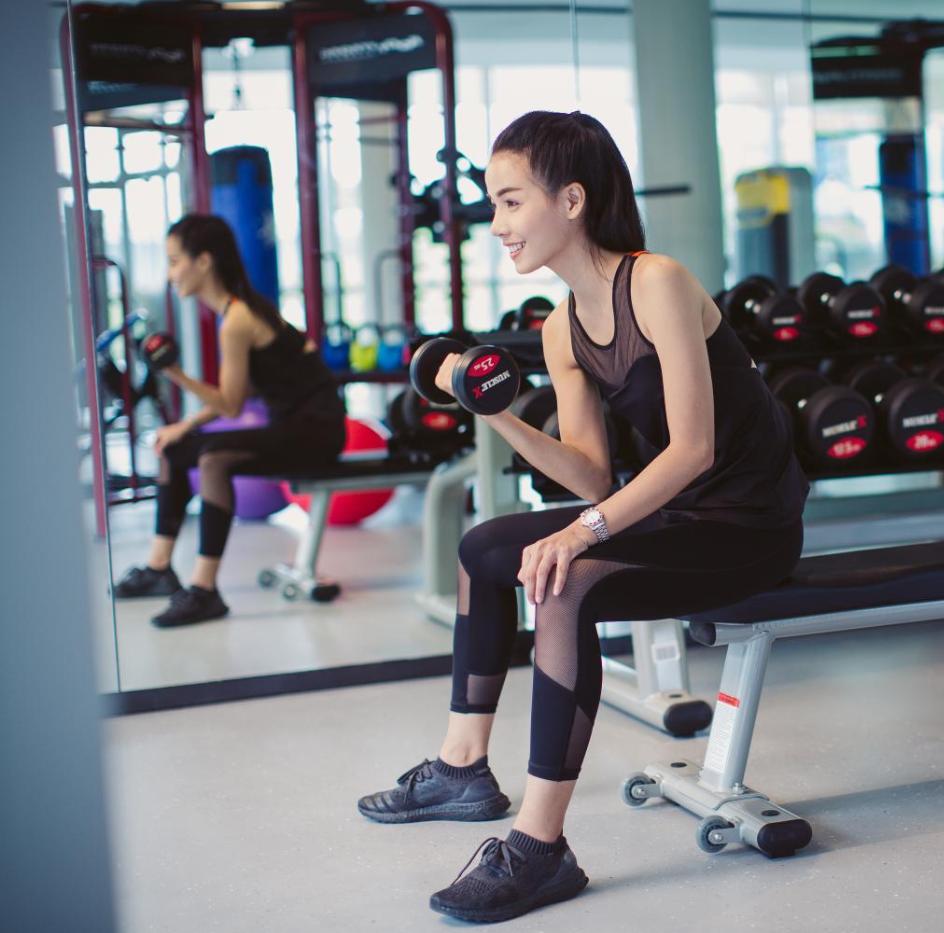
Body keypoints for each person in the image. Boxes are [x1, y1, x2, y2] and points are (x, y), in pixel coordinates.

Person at [356, 111, 808, 923]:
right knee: (483, 548)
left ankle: (540, 848)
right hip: (679, 514)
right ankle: (463, 766)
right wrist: (491, 410)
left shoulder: (658, 282)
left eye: (511, 202)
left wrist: (583, 530)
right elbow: (591, 471)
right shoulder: (561, 326)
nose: (497, 224)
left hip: (748, 524)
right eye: (494, 205)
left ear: (571, 200)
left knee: (565, 583)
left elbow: (693, 449)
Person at [112, 214, 345, 627]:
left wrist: (174, 374)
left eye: (174, 261)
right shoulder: (241, 310)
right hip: (294, 426)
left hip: (316, 432)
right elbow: (245, 392)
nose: (170, 274)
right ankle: (159, 567)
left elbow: (231, 405)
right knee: (174, 449)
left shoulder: (237, 320)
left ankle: (204, 590)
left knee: (214, 459)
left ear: (204, 261)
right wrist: (185, 427)